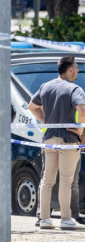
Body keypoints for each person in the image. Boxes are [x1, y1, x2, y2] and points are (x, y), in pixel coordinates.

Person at [28, 56, 85, 230]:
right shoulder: (75, 89)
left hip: (49, 139)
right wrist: (80, 130)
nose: (77, 70)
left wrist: (46, 121)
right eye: (76, 67)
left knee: (47, 179)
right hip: (68, 140)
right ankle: (65, 219)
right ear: (70, 70)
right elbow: (82, 109)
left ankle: (44, 219)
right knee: (66, 181)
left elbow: (31, 106)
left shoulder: (46, 86)